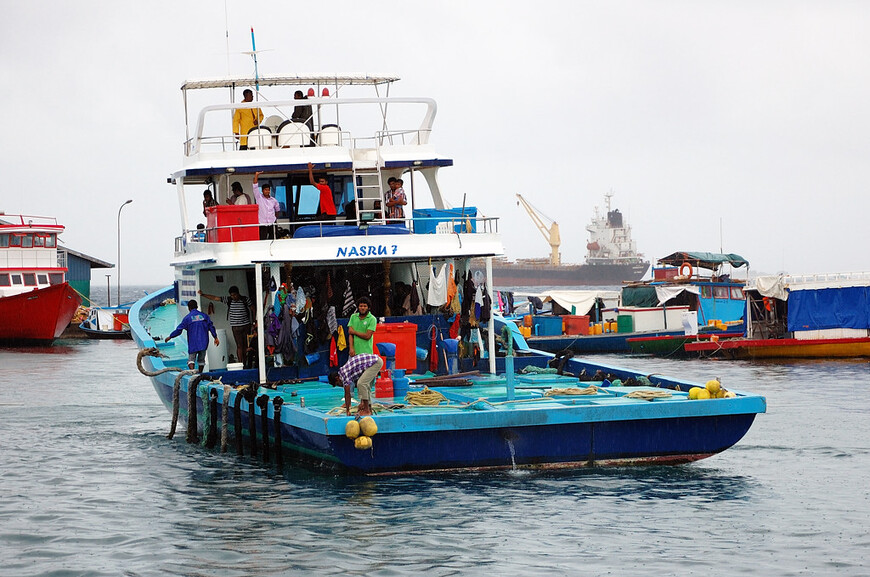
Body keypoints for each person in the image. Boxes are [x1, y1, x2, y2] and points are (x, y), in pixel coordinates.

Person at [199, 286, 254, 367]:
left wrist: (255, 321)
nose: (233, 297)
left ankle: (246, 363)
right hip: (235, 327)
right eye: (232, 295)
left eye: (235, 295)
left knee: (246, 345)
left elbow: (253, 308)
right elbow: (215, 298)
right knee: (239, 345)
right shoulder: (229, 300)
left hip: (246, 325)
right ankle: (240, 363)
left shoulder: (245, 299)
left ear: (238, 293)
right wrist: (203, 295)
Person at [164, 300, 219, 373]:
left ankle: (192, 373)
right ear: (197, 306)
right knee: (201, 360)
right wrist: (215, 337)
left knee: (191, 360)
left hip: (193, 343)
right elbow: (211, 327)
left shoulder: (187, 318)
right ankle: (200, 373)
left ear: (189, 308)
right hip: (204, 342)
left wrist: (170, 336)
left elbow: (179, 330)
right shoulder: (205, 316)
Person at [252, 171, 281, 240]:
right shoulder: (259, 198)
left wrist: (274, 218)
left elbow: (277, 210)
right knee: (262, 239)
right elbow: (255, 187)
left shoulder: (273, 200)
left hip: (272, 222)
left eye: (268, 190)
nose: (267, 191)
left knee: (274, 238)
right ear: (262, 190)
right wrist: (256, 175)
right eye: (265, 190)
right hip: (262, 223)